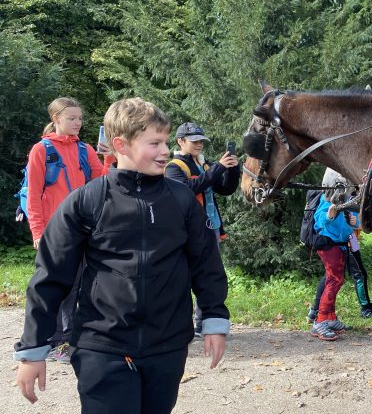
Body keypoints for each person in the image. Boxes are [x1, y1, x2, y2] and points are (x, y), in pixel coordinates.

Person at [13, 97, 230, 413]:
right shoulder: (86, 201)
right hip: (101, 347)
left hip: (167, 346)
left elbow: (206, 263)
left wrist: (214, 319)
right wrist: (33, 349)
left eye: (166, 141)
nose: (165, 151)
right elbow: (50, 276)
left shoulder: (181, 200)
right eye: (154, 143)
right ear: (121, 145)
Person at [23, 97, 108, 364]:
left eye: (80, 118)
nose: (78, 123)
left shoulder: (85, 149)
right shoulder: (41, 150)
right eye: (72, 118)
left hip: (83, 228)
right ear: (56, 119)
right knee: (58, 286)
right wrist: (37, 231)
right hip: (53, 230)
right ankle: (55, 342)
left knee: (83, 284)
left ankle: (70, 338)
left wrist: (109, 157)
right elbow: (34, 195)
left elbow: (101, 182)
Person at [164, 121, 239, 336]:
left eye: (201, 141)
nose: (199, 145)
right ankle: (181, 324)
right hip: (187, 231)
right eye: (194, 141)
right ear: (180, 141)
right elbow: (187, 190)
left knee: (208, 277)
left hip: (210, 228)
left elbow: (225, 189)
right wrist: (218, 168)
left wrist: (232, 169)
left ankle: (203, 324)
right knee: (184, 277)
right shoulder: (173, 167)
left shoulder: (204, 165)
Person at [310, 169, 361, 341]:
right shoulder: (328, 198)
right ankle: (320, 321)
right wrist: (329, 215)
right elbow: (319, 220)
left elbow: (355, 222)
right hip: (328, 243)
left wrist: (356, 222)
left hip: (342, 245)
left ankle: (330, 318)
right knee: (334, 280)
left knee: (337, 280)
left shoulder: (350, 199)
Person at [307, 231, 372, 322]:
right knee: (360, 275)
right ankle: (366, 309)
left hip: (349, 238)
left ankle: (315, 310)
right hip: (347, 239)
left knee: (330, 275)